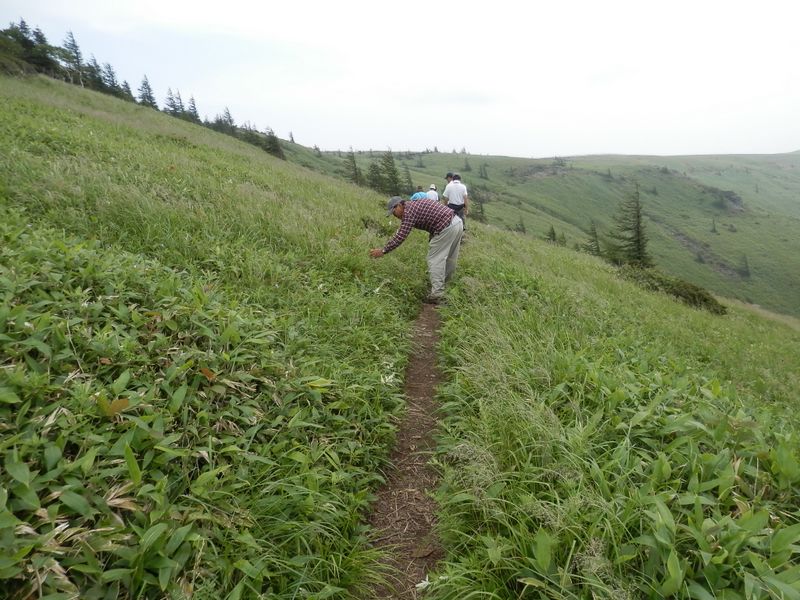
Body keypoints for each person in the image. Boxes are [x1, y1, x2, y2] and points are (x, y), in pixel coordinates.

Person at [370, 196, 463, 304]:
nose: (395, 216)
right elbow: (433, 219)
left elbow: (401, 236)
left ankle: (437, 294)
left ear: (399, 205)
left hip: (446, 227)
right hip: (457, 222)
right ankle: (445, 287)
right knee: (450, 259)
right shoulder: (413, 205)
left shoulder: (408, 212)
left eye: (394, 212)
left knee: (435, 260)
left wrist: (383, 250)